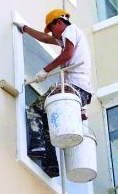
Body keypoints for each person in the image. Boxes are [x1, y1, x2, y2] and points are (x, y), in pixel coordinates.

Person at [14, 9, 92, 177]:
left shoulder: (71, 30)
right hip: (81, 91)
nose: (52, 33)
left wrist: (45, 70)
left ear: (58, 22)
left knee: (34, 109)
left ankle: (37, 146)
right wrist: (25, 28)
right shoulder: (67, 36)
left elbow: (67, 54)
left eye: (52, 28)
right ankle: (51, 165)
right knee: (48, 120)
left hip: (74, 87)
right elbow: (45, 38)